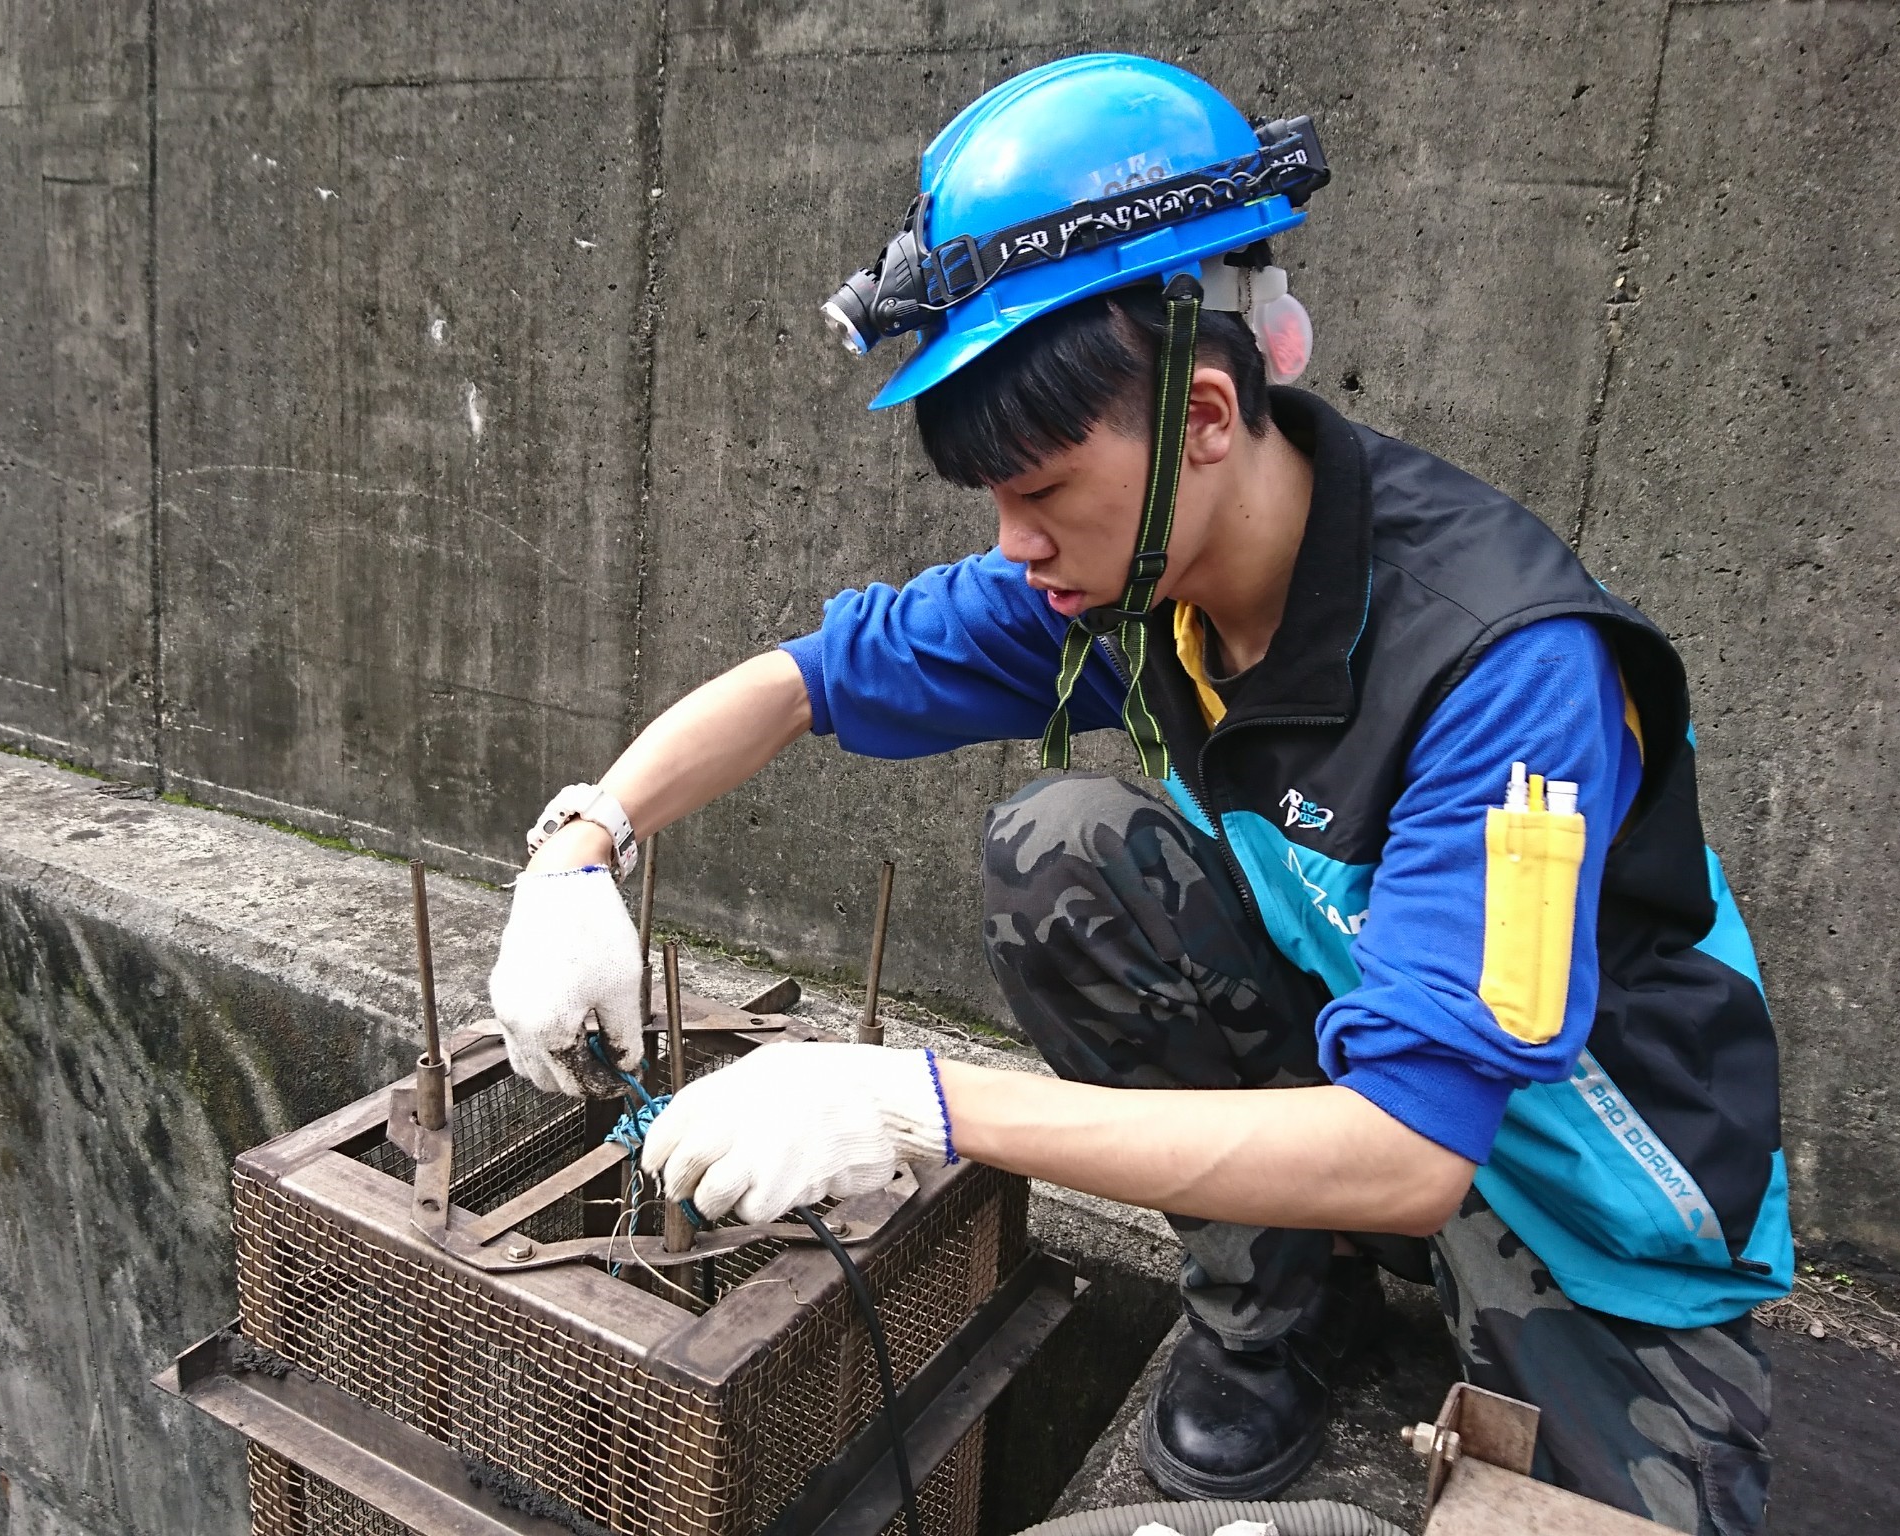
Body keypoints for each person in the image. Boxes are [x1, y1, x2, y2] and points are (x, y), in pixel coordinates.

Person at [484, 54, 1787, 1536]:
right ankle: (1283, 1305)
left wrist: (911, 1102)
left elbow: (1417, 1148)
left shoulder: (1506, 672)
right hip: (1364, 1074)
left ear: (1206, 412)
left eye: (1041, 492)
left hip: (1580, 1194)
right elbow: (809, 680)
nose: (1015, 543)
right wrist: (582, 845)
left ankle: (1496, 1317)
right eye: (997, 502)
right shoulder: (1136, 577)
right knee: (1063, 853)